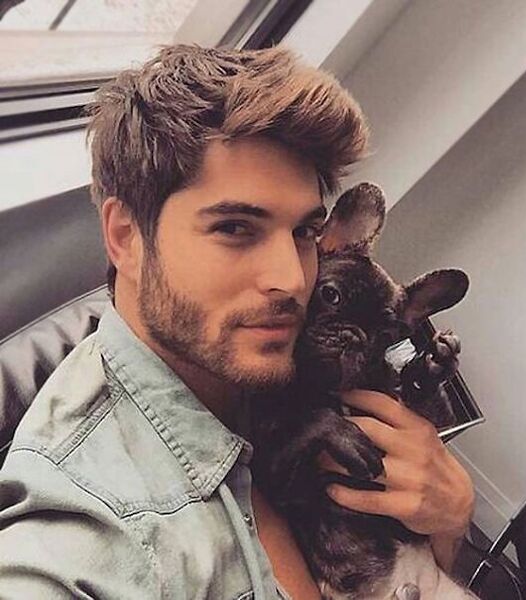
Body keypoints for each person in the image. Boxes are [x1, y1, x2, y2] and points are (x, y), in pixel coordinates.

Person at [0, 45, 474, 599]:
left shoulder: (277, 366)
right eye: (234, 228)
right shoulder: (84, 529)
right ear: (126, 237)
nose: (293, 279)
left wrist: (449, 520)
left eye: (304, 232)